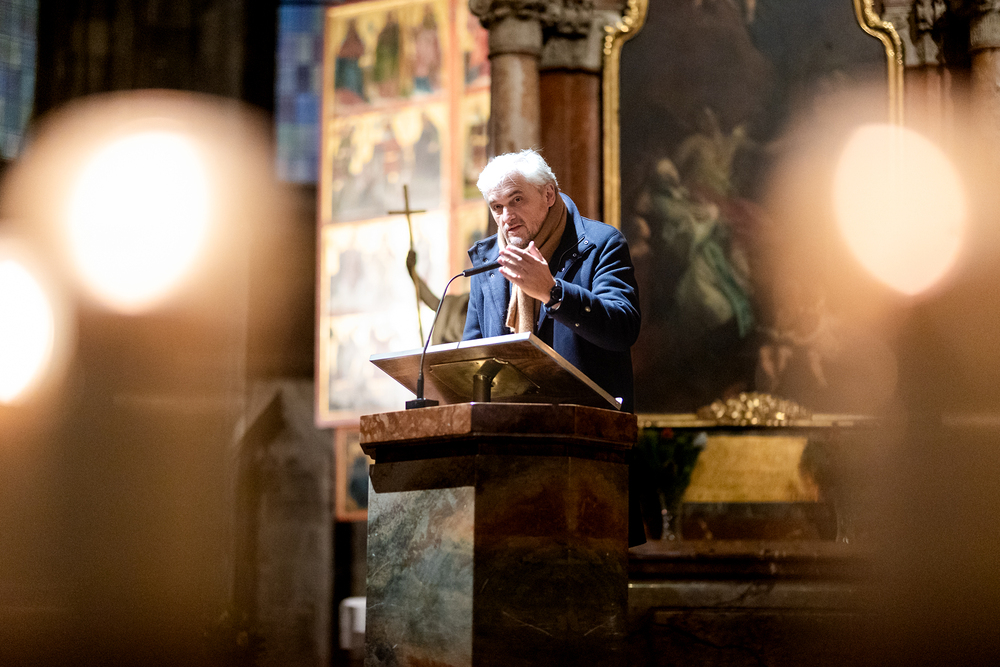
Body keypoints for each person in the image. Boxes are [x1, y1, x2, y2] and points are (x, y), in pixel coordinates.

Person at [463, 149, 645, 545]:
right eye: (496, 207)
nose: (506, 216)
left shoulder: (600, 244)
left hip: (584, 455)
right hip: (506, 460)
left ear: (549, 194)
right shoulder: (488, 263)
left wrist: (552, 291)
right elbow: (473, 354)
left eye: (516, 200)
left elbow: (622, 327)